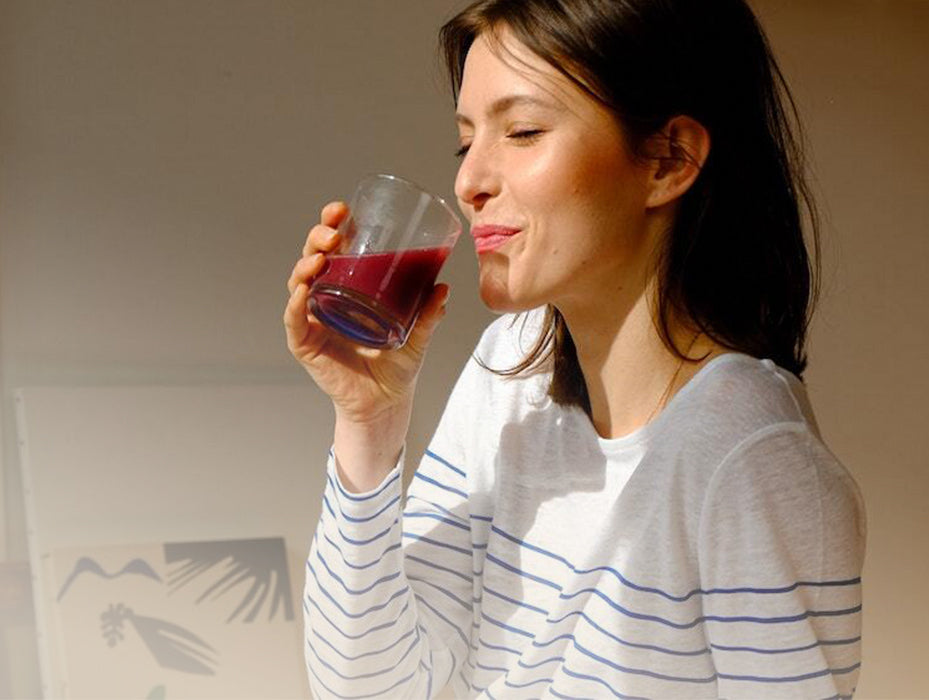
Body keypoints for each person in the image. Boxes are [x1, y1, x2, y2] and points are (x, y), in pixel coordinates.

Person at [284, 0, 866, 697]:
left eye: (523, 131)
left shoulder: (748, 455)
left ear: (668, 158)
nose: (469, 182)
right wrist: (368, 423)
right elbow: (370, 688)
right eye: (465, 142)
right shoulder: (510, 369)